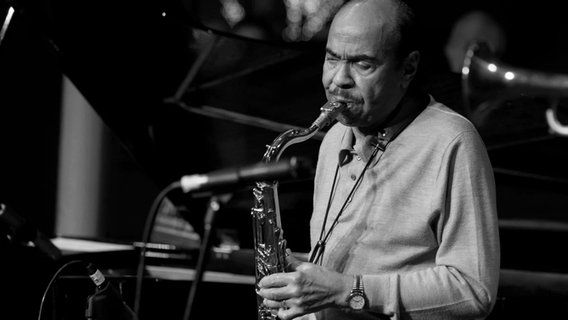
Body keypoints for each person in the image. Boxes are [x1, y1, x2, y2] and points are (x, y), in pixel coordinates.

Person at [256, 0, 500, 319]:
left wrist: (347, 291)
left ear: (408, 68)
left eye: (363, 64)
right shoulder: (332, 139)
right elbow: (355, 272)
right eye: (331, 59)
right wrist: (306, 277)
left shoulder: (453, 140)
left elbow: (473, 291)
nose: (338, 79)